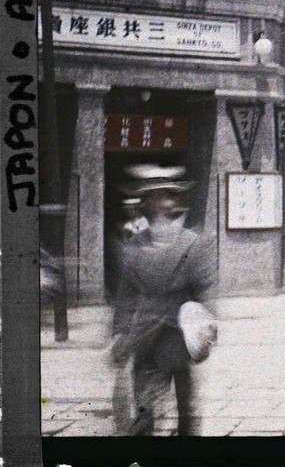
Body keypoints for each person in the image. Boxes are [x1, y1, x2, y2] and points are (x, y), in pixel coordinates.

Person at [109, 165, 217, 436]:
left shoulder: (191, 245)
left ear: (170, 201)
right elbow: (126, 295)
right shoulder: (132, 249)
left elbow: (204, 290)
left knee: (187, 411)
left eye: (158, 196)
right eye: (146, 198)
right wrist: (120, 333)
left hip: (178, 339)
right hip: (144, 339)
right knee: (143, 411)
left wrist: (206, 327)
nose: (150, 203)